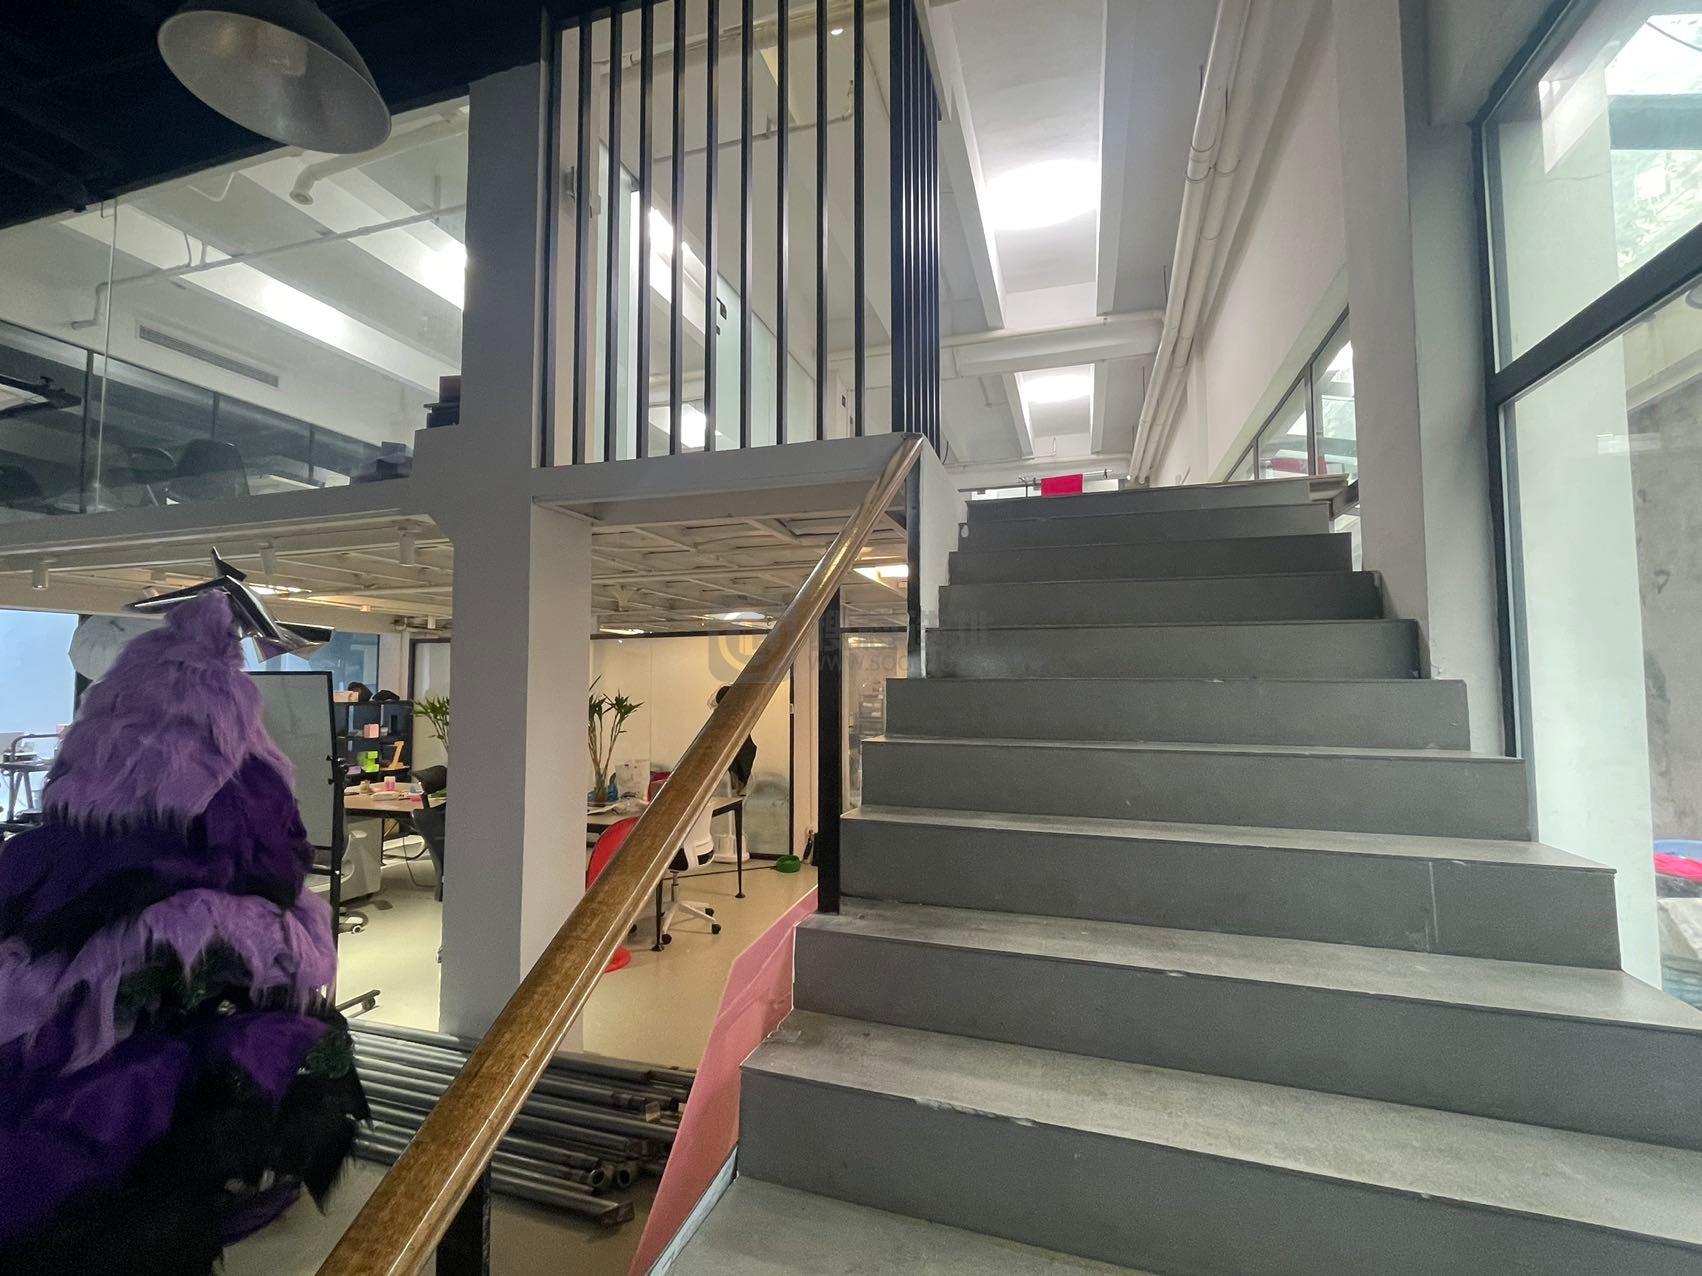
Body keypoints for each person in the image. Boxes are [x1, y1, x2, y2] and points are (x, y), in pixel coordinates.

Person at [714, 685, 757, 793]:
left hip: (734, 777)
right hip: (731, 777)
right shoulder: (728, 722)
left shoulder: (734, 722)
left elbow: (747, 750)